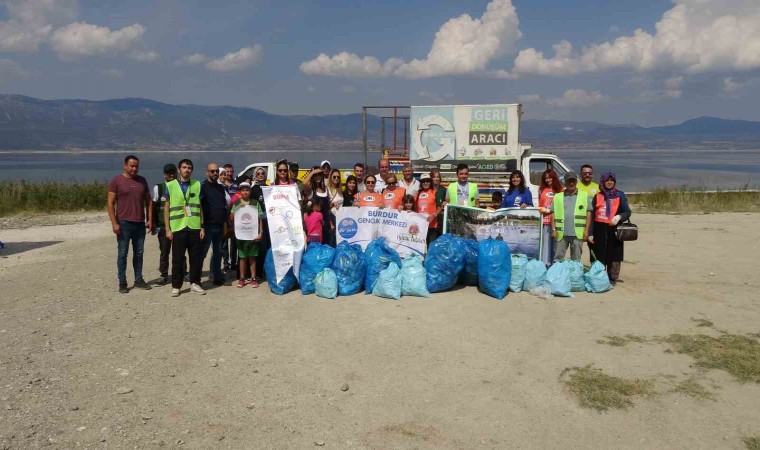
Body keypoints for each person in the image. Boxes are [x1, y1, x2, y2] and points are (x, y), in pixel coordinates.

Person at [107, 155, 153, 293]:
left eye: (136, 166)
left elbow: (149, 202)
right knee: (122, 253)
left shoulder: (142, 181)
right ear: (125, 166)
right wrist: (114, 223)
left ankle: (138, 279)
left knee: (139, 253)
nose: (134, 168)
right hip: (124, 223)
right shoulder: (117, 181)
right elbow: (110, 203)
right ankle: (122, 282)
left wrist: (150, 219)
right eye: (131, 166)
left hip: (139, 223)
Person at [164, 158, 205, 297]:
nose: (187, 170)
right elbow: (167, 208)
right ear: (179, 169)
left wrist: (202, 226)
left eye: (189, 168)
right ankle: (176, 285)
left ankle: (195, 283)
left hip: (194, 226)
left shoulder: (197, 184)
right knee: (177, 258)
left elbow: (200, 207)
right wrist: (167, 229)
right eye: (184, 167)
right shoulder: (170, 185)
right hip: (178, 227)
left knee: (195, 258)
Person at [589, 172, 631, 284]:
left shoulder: (620, 195)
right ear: (603, 182)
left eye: (612, 180)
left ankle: (612, 277)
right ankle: (599, 276)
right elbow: (592, 215)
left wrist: (619, 217)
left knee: (614, 253)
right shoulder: (597, 196)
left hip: (614, 228)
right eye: (607, 180)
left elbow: (627, 212)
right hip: (599, 228)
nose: (609, 182)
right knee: (599, 252)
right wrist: (590, 233)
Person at [551, 172, 591, 262]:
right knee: (557, 259)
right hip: (561, 234)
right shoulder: (557, 196)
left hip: (577, 234)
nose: (571, 183)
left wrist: (586, 230)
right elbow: (553, 214)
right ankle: (558, 275)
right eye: (569, 181)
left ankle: (574, 276)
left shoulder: (584, 195)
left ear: (576, 182)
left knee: (576, 260)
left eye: (573, 181)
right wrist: (553, 230)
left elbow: (588, 214)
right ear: (565, 182)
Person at [200, 163, 229, 286]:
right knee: (202, 253)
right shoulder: (202, 187)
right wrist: (201, 226)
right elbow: (199, 207)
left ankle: (217, 276)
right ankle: (196, 278)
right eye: (212, 171)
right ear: (207, 172)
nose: (215, 173)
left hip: (219, 225)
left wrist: (225, 224)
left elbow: (223, 207)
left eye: (217, 171)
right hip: (207, 226)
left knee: (218, 252)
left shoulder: (221, 188)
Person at [229, 182, 263, 288]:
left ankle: (253, 278)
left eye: (247, 190)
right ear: (240, 191)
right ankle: (242, 278)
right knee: (242, 257)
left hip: (252, 234)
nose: (245, 192)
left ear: (250, 191)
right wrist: (238, 209)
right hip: (241, 235)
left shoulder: (255, 202)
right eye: (243, 190)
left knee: (252, 257)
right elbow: (231, 218)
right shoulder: (237, 203)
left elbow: (259, 218)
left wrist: (260, 232)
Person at [151, 164, 179, 285]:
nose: (171, 175)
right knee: (164, 251)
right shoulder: (159, 188)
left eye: (173, 172)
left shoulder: (180, 187)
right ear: (164, 174)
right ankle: (163, 274)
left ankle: (182, 272)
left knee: (179, 251)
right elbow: (153, 206)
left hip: (178, 224)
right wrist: (152, 223)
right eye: (168, 173)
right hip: (163, 226)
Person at [538, 169, 564, 266]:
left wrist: (550, 210)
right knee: (546, 246)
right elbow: (539, 206)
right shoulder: (542, 190)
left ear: (554, 178)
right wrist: (542, 209)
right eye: (546, 178)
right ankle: (545, 265)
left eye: (550, 178)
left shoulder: (560, 190)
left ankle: (556, 265)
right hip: (545, 222)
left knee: (557, 247)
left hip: (557, 222)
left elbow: (562, 207)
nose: (548, 180)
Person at [251, 166, 269, 282]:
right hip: (258, 221)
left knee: (268, 247)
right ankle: (257, 272)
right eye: (258, 174)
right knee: (259, 248)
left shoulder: (269, 188)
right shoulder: (253, 189)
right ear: (255, 176)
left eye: (263, 173)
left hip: (270, 222)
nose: (261, 175)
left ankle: (267, 270)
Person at [221, 163, 238, 273]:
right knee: (223, 242)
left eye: (231, 171)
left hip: (235, 217)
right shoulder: (221, 185)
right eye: (227, 171)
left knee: (234, 242)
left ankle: (233, 263)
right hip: (224, 217)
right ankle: (226, 263)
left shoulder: (237, 185)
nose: (229, 173)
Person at [416, 174, 441, 244]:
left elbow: (439, 207)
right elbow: (413, 207)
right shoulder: (417, 193)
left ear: (430, 182)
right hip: (420, 226)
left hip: (432, 226)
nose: (425, 183)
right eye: (423, 181)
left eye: (427, 181)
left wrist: (434, 215)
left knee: (431, 247)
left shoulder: (435, 192)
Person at [430, 169, 448, 235]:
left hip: (440, 219)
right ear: (431, 178)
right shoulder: (427, 189)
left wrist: (446, 203)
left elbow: (447, 201)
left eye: (438, 177)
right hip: (430, 219)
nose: (436, 179)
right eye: (434, 177)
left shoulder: (444, 190)